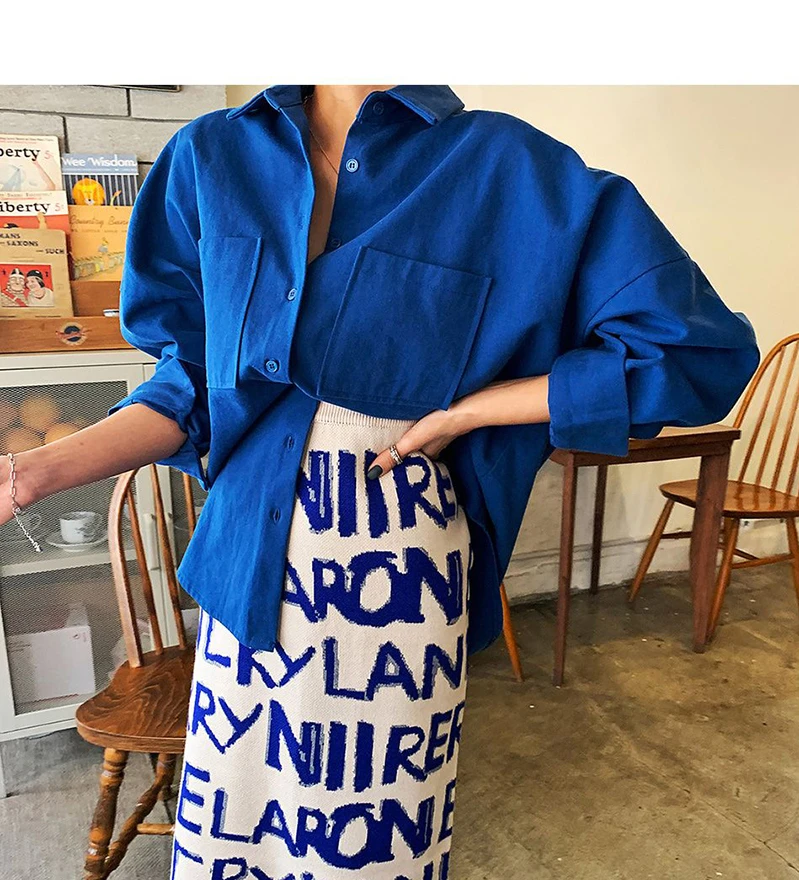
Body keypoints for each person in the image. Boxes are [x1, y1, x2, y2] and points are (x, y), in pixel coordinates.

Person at [0, 85, 759, 879]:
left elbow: (695, 354)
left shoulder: (511, 168)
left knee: (370, 849)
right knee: (238, 838)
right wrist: (29, 474)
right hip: (241, 565)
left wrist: (476, 408)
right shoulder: (210, 157)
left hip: (394, 582)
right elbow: (189, 383)